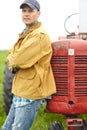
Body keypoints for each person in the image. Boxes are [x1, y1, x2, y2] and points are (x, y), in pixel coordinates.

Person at [2, 0, 56, 130]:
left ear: (38, 13)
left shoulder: (39, 36)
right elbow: (11, 53)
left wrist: (13, 60)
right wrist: (13, 59)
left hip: (30, 94)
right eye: (24, 11)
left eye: (30, 11)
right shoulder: (26, 33)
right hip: (20, 90)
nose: (26, 14)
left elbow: (18, 60)